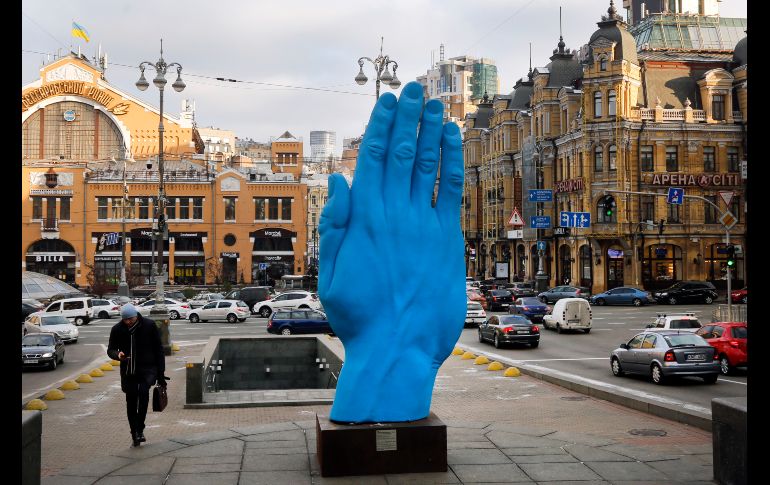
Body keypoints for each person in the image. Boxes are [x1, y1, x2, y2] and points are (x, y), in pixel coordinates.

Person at [107, 303, 166, 447]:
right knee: (131, 402)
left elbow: (159, 350)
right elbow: (111, 349)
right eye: (125, 320)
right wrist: (117, 354)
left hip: (147, 369)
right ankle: (134, 432)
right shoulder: (117, 329)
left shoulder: (149, 325)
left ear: (136, 316)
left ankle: (140, 429)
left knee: (144, 395)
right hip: (128, 370)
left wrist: (161, 374)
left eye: (131, 319)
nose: (128, 322)